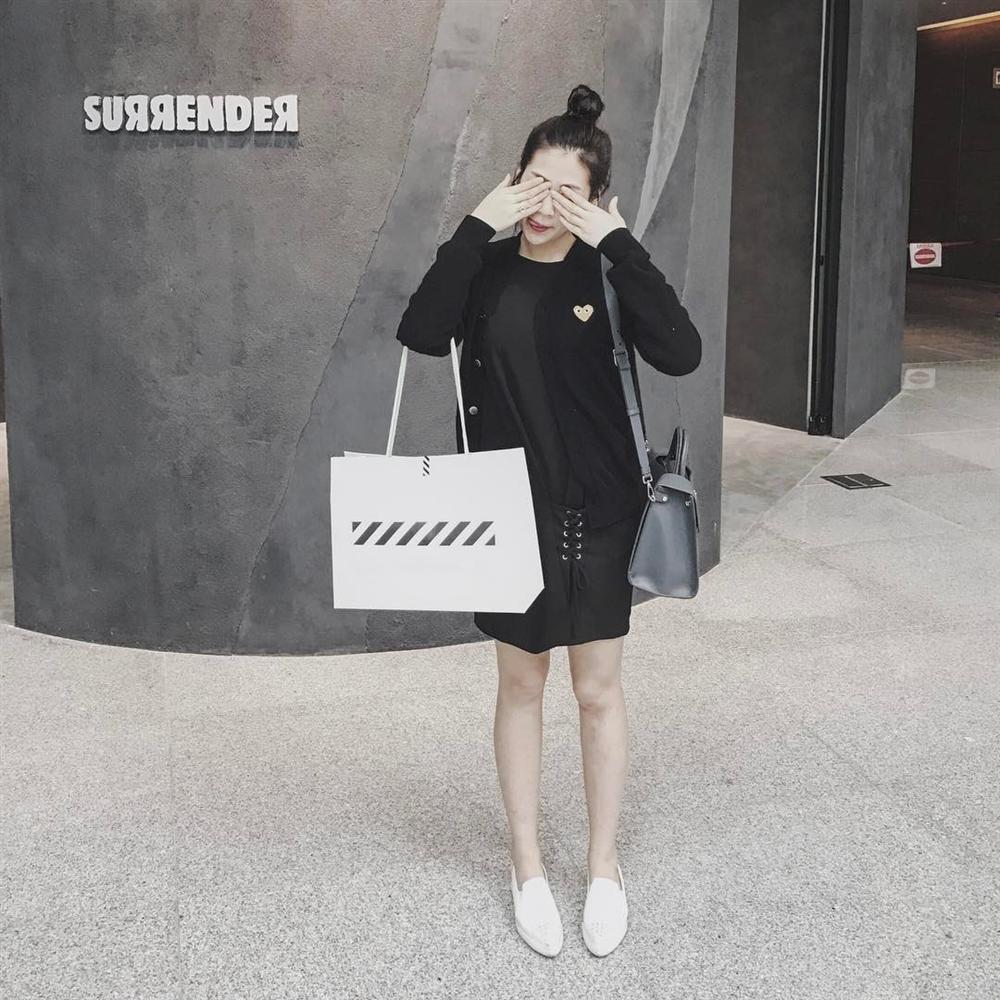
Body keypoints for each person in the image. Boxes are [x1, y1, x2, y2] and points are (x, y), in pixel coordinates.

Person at [395, 84, 702, 957]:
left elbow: (681, 351)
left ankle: (604, 867)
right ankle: (527, 865)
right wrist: (475, 224)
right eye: (533, 184)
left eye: (568, 192)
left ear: (598, 199)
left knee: (597, 691)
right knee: (521, 686)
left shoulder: (607, 270)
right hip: (505, 516)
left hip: (600, 514)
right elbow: (421, 331)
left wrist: (618, 240)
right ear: (512, 181)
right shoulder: (486, 268)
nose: (544, 205)